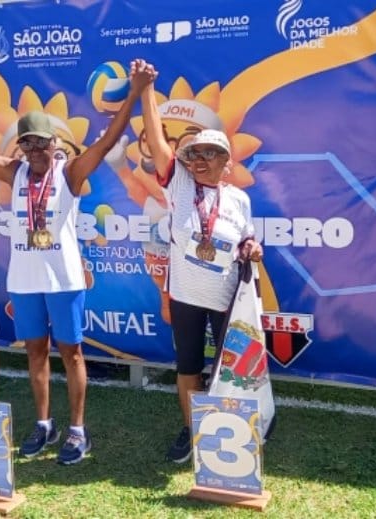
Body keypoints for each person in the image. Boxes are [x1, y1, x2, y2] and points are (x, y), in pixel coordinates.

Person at [0, 62, 153, 464]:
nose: (33, 151)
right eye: (26, 143)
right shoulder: (14, 174)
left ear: (54, 144)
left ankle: (78, 430)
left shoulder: (70, 173)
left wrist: (134, 93)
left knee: (73, 355)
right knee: (34, 353)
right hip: (26, 281)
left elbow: (105, 142)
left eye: (40, 143)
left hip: (63, 281)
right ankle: (44, 424)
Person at [135, 59, 264, 463]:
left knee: (231, 370)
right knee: (188, 366)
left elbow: (245, 237)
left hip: (228, 299)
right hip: (187, 297)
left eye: (212, 154)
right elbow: (157, 140)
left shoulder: (239, 198)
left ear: (228, 161)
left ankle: (230, 432)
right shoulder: (179, 183)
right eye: (195, 154)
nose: (202, 160)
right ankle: (194, 432)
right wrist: (145, 90)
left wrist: (252, 248)